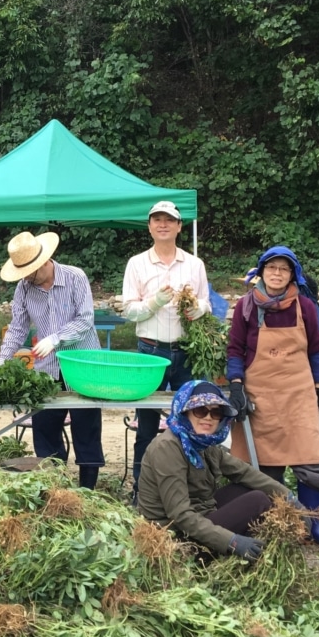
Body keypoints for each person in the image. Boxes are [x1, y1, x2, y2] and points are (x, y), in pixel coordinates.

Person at [226, 245, 319, 547]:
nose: (277, 274)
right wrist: (236, 386)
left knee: (313, 463)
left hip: (298, 394)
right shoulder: (246, 306)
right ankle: (278, 526)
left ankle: (314, 527)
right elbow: (235, 349)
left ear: (292, 275)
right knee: (265, 467)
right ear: (262, 271)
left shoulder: (305, 306)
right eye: (271, 268)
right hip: (260, 395)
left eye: (283, 269)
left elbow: (317, 351)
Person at [136, 381, 299, 560]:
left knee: (254, 488)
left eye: (215, 412)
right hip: (175, 537)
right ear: (184, 412)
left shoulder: (204, 442)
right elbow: (180, 515)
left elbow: (244, 472)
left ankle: (254, 548)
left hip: (199, 514)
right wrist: (232, 542)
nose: (208, 417)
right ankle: (234, 552)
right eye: (200, 410)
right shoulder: (167, 448)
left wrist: (289, 497)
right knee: (257, 500)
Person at [0, 231, 103, 489]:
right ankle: (56, 490)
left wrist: (56, 338)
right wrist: (2, 359)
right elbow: (18, 327)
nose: (27, 278)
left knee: (86, 432)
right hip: (48, 370)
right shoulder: (24, 288)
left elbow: (86, 319)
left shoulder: (75, 277)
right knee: (45, 430)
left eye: (31, 272)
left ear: (45, 260)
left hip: (83, 366)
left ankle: (87, 492)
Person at [118, 200, 211, 493]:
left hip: (186, 352)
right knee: (146, 427)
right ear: (149, 226)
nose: (163, 224)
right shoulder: (137, 263)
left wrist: (198, 308)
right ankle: (142, 490)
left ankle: (193, 489)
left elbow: (208, 303)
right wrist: (155, 301)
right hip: (150, 352)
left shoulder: (194, 264)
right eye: (157, 220)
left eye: (169, 220)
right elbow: (129, 311)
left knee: (194, 421)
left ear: (179, 226)